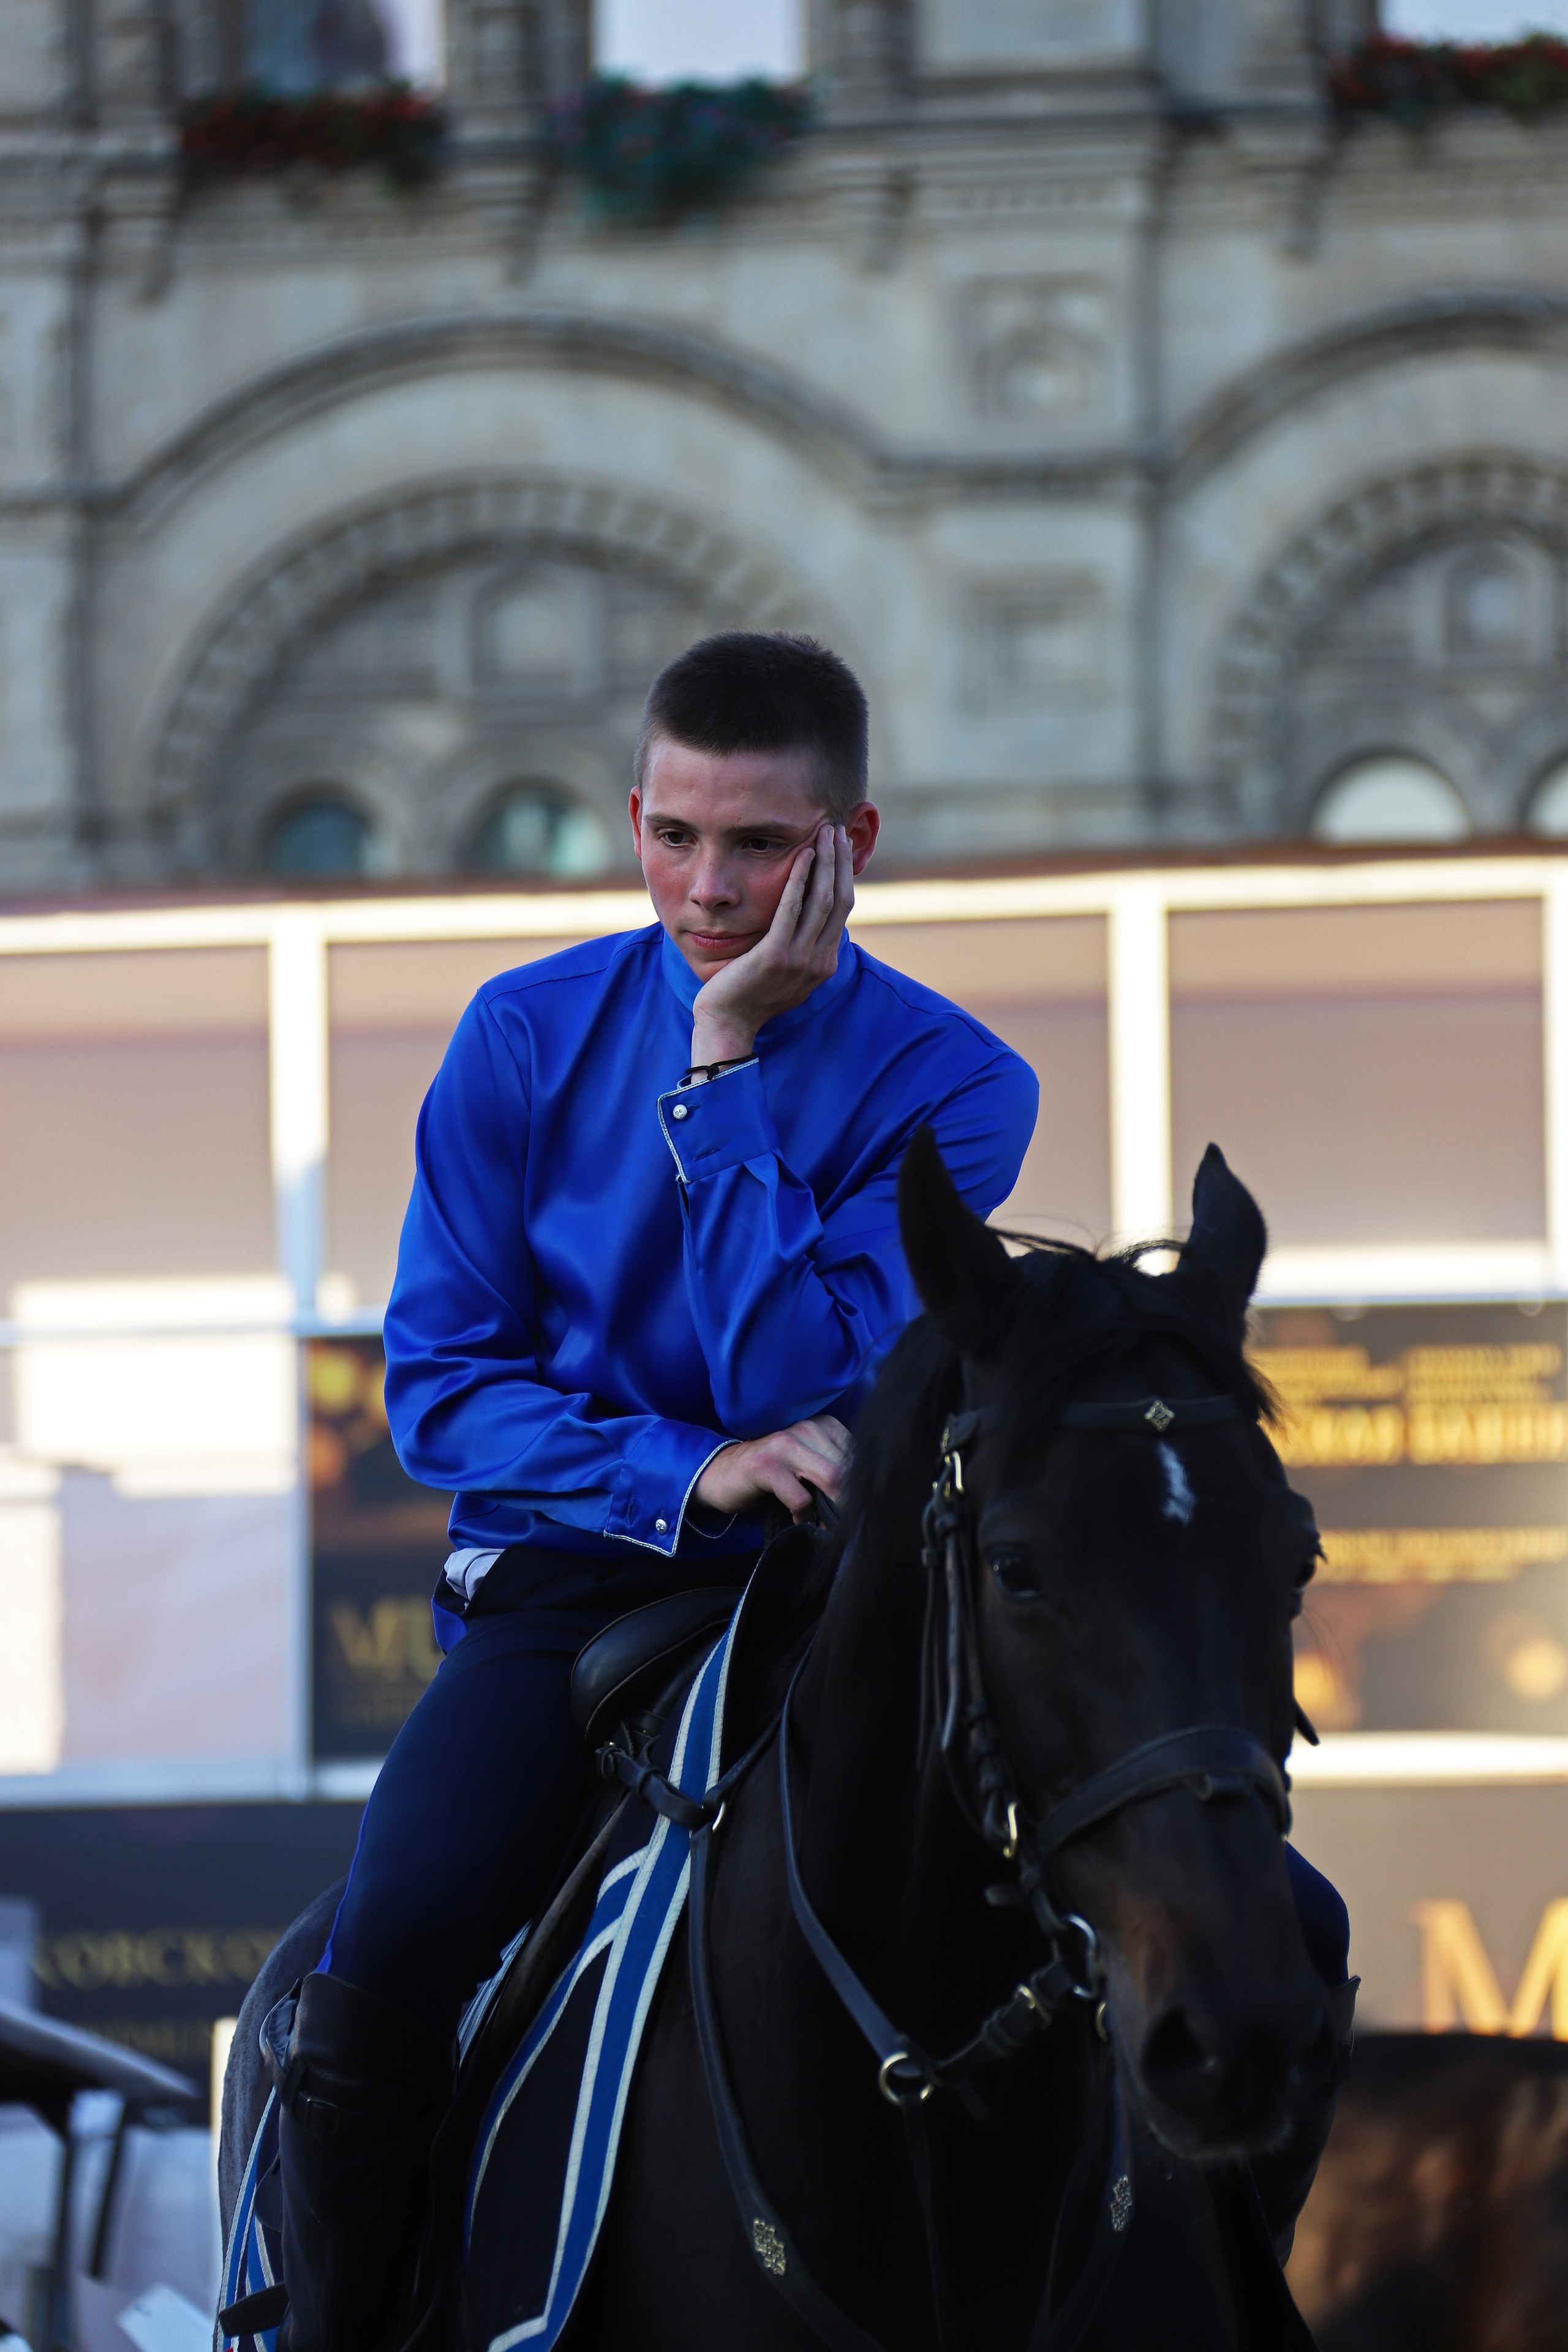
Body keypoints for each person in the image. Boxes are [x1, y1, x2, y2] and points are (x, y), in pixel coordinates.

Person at [262, 632, 1041, 2352]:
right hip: (577, 1592)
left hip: (849, 1593)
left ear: (854, 842)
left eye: (758, 845)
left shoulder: (967, 1088)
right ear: (631, 814)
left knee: (1216, 1914)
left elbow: (792, 1377)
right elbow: (442, 1393)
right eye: (675, 835)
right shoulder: (520, 1037)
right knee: (387, 1947)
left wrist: (719, 1069)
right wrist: (686, 1470)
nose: (708, 884)